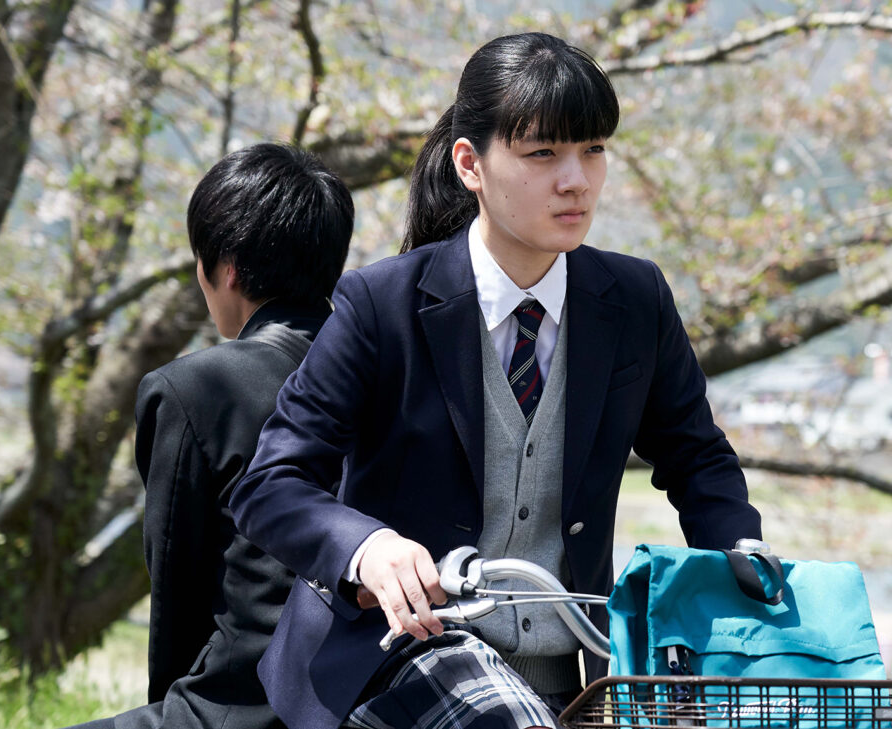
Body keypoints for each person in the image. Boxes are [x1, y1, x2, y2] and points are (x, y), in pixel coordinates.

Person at [229, 32, 762, 729]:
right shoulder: (381, 304)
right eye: (543, 154)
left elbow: (696, 456)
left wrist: (741, 551)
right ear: (469, 164)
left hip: (572, 676)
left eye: (593, 150)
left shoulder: (635, 300)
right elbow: (271, 483)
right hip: (401, 655)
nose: (576, 180)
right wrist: (366, 547)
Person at [71, 143, 353, 729]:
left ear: (226, 269)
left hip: (240, 702)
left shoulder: (192, 389)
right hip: (372, 697)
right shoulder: (389, 375)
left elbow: (177, 591)